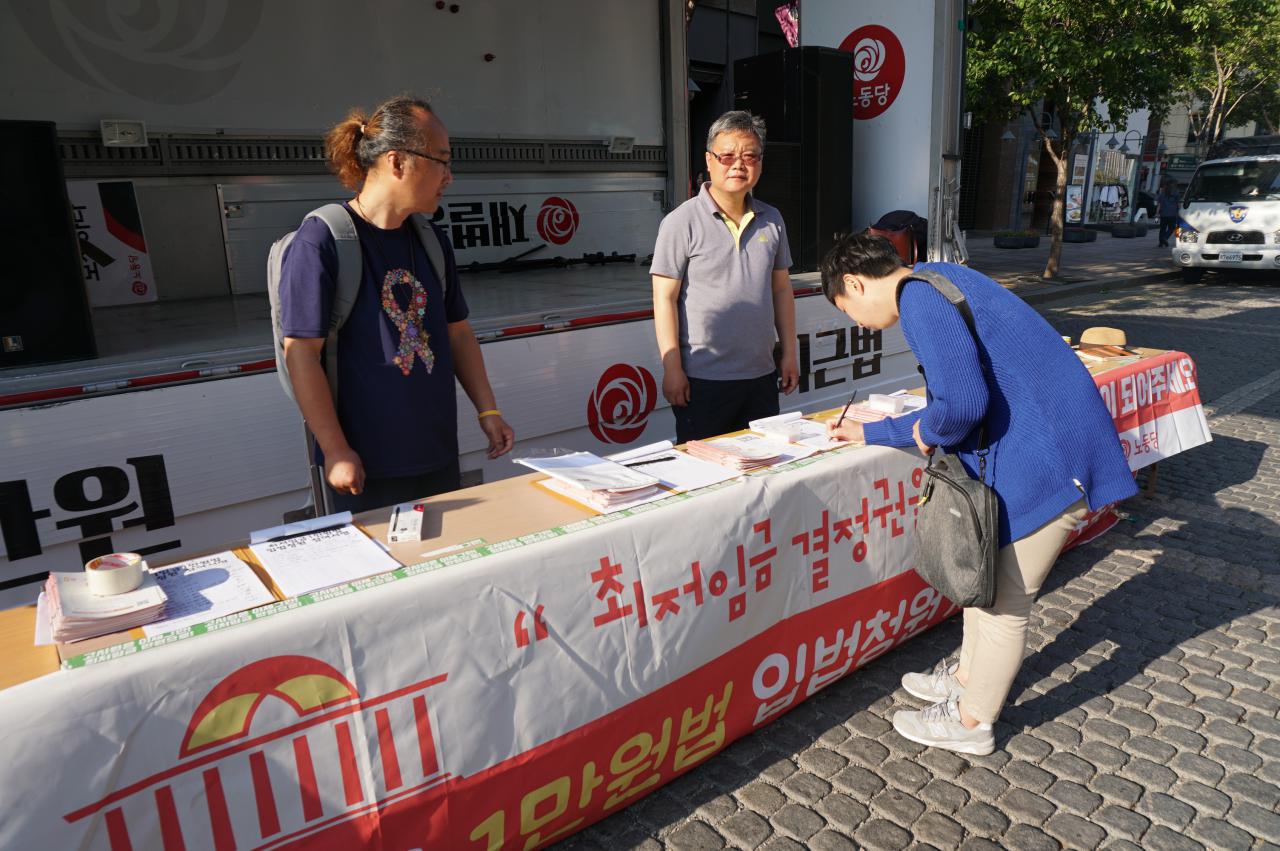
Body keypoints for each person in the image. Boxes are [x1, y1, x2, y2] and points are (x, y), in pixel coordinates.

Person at [821, 233, 1137, 755]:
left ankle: (972, 721)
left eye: (847, 308)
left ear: (855, 282)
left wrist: (924, 432)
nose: (856, 322)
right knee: (986, 579)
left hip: (1050, 463)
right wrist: (880, 432)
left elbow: (962, 404)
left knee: (1003, 602)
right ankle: (968, 677)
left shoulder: (917, 299)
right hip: (1044, 448)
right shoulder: (940, 279)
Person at [279, 95, 514, 513]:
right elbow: (301, 354)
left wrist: (488, 409)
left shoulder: (431, 240)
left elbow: (457, 332)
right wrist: (335, 450)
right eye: (441, 160)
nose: (449, 176)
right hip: (364, 468)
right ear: (397, 162)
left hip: (437, 453)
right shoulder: (321, 240)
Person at [650, 110, 799, 443]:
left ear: (760, 161)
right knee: (706, 475)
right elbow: (664, 298)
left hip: (761, 375)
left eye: (749, 156)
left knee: (762, 470)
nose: (738, 164)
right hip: (703, 380)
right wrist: (672, 367)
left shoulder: (772, 220)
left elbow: (781, 291)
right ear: (709, 159)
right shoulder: (680, 222)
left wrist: (789, 353)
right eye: (727, 155)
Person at [1156, 180, 1180, 247]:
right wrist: (1179, 211)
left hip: (1163, 214)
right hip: (1172, 214)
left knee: (1162, 229)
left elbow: (1159, 205)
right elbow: (1178, 204)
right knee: (1172, 228)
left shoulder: (1162, 194)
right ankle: (1165, 238)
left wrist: (1157, 213)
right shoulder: (1176, 193)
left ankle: (1161, 243)